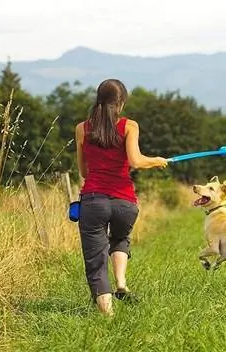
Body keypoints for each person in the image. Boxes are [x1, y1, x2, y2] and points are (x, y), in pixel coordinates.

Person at [75, 79, 168, 316]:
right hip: (124, 202)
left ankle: (107, 316)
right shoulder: (129, 126)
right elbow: (136, 161)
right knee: (120, 238)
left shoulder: (82, 129)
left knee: (96, 260)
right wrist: (156, 160)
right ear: (121, 102)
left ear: (98, 100)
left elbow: (84, 172)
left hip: (94, 201)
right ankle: (121, 284)